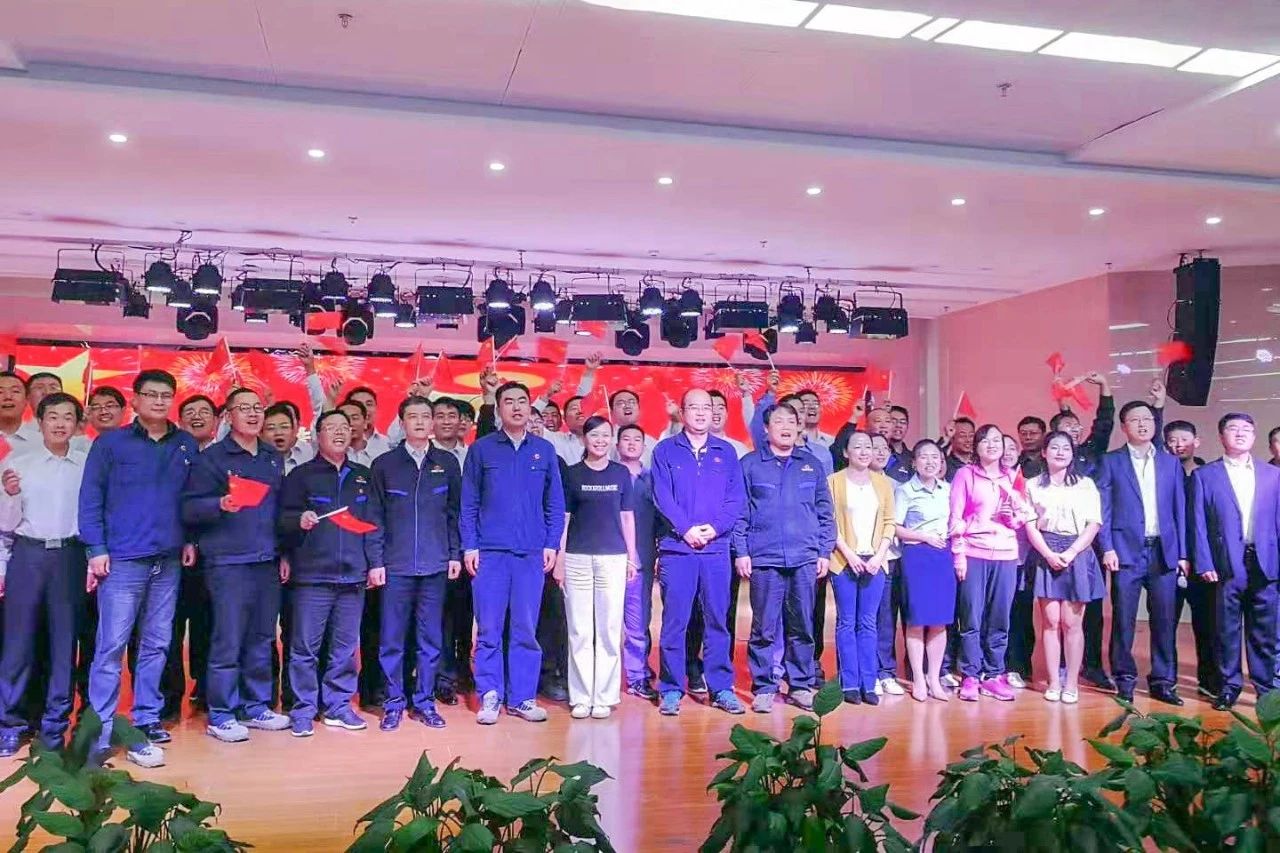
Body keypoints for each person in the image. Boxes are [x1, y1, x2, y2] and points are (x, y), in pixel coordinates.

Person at [79, 369, 199, 768]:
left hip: (168, 559)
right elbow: (91, 497)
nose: (159, 401)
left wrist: (189, 539)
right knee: (111, 646)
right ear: (135, 400)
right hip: (123, 559)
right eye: (151, 395)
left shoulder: (185, 444)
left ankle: (146, 717)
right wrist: (96, 548)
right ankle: (100, 731)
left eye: (166, 395)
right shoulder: (111, 443)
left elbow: (190, 499)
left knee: (158, 643)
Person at [181, 387, 290, 742]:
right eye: (244, 408)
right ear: (228, 416)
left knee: (261, 638)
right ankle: (221, 713)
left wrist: (284, 553)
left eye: (258, 407)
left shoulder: (272, 457)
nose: (254, 413)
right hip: (227, 561)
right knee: (227, 639)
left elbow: (279, 511)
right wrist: (219, 504)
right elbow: (189, 507)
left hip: (266, 559)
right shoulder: (212, 458)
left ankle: (255, 706)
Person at [460, 382, 565, 725]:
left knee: (525, 629)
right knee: (489, 629)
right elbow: (469, 503)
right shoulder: (482, 450)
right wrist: (470, 545)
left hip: (530, 554)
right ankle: (490, 695)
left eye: (522, 401)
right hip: (490, 553)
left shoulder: (544, 451)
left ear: (530, 407)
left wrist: (551, 544)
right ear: (499, 408)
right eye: (509, 402)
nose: (517, 407)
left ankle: (522, 697)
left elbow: (554, 503)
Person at [279, 409, 385, 737]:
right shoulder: (301, 476)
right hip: (312, 576)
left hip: (353, 576)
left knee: (344, 649)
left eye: (345, 427)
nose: (339, 432)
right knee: (304, 649)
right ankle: (303, 709)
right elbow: (281, 519)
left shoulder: (363, 476)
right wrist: (298, 520)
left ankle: (338, 706)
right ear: (317, 435)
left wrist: (375, 563)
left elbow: (373, 525)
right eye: (331, 427)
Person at [0, 393, 88, 756]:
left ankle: (54, 727)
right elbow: (6, 524)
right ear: (39, 422)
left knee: (64, 643)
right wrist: (9, 495)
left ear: (78, 425)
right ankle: (10, 724)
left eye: (68, 417)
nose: (60, 423)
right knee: (18, 643)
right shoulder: (18, 463)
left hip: (70, 556)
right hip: (28, 553)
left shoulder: (86, 465)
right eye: (53, 416)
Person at [650, 388, 747, 717]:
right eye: (694, 407)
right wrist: (685, 529)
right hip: (678, 549)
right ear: (682, 411)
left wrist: (715, 529)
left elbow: (735, 499)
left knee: (718, 621)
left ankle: (721, 687)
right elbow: (661, 495)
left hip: (715, 550)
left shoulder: (726, 452)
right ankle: (671, 688)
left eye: (707, 407)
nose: (702, 413)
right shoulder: (665, 450)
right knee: (675, 622)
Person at [734, 402, 834, 713]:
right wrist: (742, 551)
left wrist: (824, 551)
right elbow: (740, 513)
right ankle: (765, 686)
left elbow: (825, 513)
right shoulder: (750, 464)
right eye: (779, 421)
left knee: (802, 624)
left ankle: (800, 685)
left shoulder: (811, 464)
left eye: (791, 421)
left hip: (804, 557)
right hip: (765, 557)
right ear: (766, 429)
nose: (786, 426)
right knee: (764, 627)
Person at [370, 396, 461, 731]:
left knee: (430, 639)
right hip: (395, 566)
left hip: (435, 565)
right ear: (402, 423)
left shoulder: (447, 463)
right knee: (392, 640)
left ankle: (424, 702)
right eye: (413, 416)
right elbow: (375, 517)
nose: (421, 422)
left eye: (426, 416)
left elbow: (454, 514)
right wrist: (376, 560)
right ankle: (394, 703)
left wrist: (454, 553)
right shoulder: (384, 464)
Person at [1095, 401, 1188, 706]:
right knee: (1124, 620)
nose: (1143, 424)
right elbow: (1103, 510)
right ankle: (1124, 680)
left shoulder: (1170, 463)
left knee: (1165, 620)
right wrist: (1107, 547)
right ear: (1124, 427)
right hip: (1125, 552)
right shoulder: (1111, 461)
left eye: (1147, 418)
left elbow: (1180, 510)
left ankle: (1163, 682)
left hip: (1164, 551)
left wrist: (1183, 554)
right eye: (1135, 420)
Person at [1191, 413, 1280, 710]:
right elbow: (1198, 523)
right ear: (1221, 436)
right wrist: (1204, 562)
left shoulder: (1273, 474)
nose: (1240, 433)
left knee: (1264, 630)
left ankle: (1266, 690)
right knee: (1226, 629)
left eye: (1246, 429)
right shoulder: (1205, 475)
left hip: (1266, 560)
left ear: (1254, 436)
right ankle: (1229, 686)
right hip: (1226, 562)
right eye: (1233, 428)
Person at [555, 416, 638, 719]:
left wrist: (632, 557)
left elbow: (627, 517)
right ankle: (580, 697)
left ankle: (603, 696)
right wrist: (560, 559)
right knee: (579, 630)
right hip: (577, 558)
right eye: (594, 435)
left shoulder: (620, 473)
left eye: (605, 435)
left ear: (612, 439)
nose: (600, 441)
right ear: (584, 439)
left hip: (613, 558)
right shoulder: (572, 474)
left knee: (609, 629)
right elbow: (564, 519)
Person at [948, 424, 1026, 703]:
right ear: (976, 447)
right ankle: (970, 674)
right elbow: (955, 517)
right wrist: (959, 555)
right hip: (974, 553)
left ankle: (994, 674)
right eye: (985, 441)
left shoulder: (1013, 477)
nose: (992, 445)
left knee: (1000, 618)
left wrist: (1011, 519)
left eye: (997, 440)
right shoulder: (965, 475)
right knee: (971, 617)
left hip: (1006, 554)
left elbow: (1024, 516)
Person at [1023, 432, 1104, 705]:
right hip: (1046, 551)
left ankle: (1071, 683)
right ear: (1044, 452)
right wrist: (1047, 554)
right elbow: (1030, 524)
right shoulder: (1033, 485)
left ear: (1072, 453)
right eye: (1054, 447)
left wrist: (1071, 552)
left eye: (1066, 448)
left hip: (1076, 552)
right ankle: (1054, 682)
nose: (1060, 452)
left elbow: (1093, 524)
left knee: (1072, 623)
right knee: (1050, 622)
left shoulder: (1085, 484)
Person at [828, 431, 896, 705]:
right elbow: (829, 522)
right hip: (844, 560)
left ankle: (869, 683)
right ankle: (849, 684)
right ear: (846, 452)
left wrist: (879, 556)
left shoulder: (883, 483)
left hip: (875, 561)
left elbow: (889, 522)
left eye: (868, 446)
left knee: (868, 623)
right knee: (847, 622)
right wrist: (849, 554)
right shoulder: (833, 482)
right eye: (858, 447)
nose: (865, 451)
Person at [894, 439, 954, 703]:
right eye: (924, 457)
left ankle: (934, 677)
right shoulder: (905, 490)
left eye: (935, 457)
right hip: (917, 556)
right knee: (917, 620)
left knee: (939, 621)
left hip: (943, 557)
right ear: (914, 462)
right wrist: (924, 537)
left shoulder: (948, 489)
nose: (930, 462)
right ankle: (918, 677)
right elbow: (895, 527)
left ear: (941, 462)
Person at [1164, 419, 1220, 698]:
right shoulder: (1162, 476)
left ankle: (1209, 681)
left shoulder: (1210, 475)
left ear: (1196, 441)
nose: (1178, 445)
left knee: (1208, 625)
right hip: (1169, 562)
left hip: (1204, 562)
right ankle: (1166, 681)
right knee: (1166, 625)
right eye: (1172, 440)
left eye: (1184, 439)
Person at [429, 397, 472, 704]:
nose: (446, 421)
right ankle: (442, 677)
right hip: (437, 549)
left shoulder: (472, 455)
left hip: (469, 547)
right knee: (440, 617)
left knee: (465, 613)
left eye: (451, 416)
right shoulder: (425, 456)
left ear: (461, 421)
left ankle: (463, 668)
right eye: (440, 415)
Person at [617, 424, 659, 699]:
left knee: (638, 624)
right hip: (608, 559)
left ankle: (636, 677)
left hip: (641, 561)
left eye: (637, 439)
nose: (632, 443)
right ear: (617, 445)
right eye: (626, 439)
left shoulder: (653, 480)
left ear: (644, 446)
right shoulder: (608, 475)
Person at [0, 372, 44, 455]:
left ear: (26, 400)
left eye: (15, 391)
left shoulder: (44, 442)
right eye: (0, 392)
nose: (8, 397)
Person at [263, 402, 313, 474]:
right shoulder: (254, 465)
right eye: (271, 428)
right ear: (260, 433)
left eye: (284, 427)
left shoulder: (309, 455)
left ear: (294, 430)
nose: (278, 432)